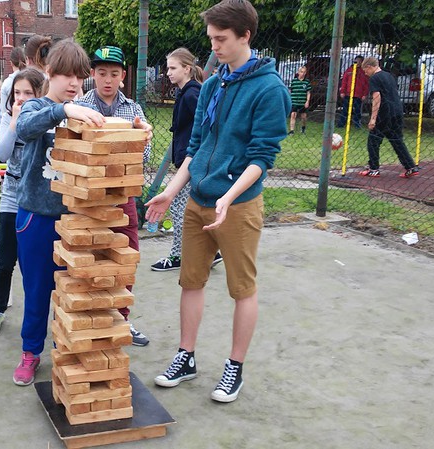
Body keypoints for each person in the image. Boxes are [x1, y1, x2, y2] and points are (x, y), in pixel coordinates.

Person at [145, 0, 290, 403]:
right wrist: (173, 190)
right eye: (211, 39)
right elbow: (198, 145)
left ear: (245, 36)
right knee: (190, 281)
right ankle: (186, 356)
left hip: (238, 205)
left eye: (222, 39)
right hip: (198, 201)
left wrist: (228, 197)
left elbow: (262, 157)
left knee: (242, 288)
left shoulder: (270, 89)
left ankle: (234, 367)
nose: (216, 47)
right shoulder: (212, 83)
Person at [12, 39, 152, 386]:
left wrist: (137, 138)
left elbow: (113, 158)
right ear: (49, 72)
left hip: (78, 222)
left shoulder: (91, 115)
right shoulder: (37, 107)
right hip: (37, 217)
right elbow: (25, 127)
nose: (73, 84)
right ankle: (31, 352)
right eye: (64, 76)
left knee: (76, 290)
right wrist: (63, 111)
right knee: (37, 288)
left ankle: (69, 346)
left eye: (77, 77)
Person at [79, 45, 153, 347]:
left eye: (113, 73)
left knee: (127, 255)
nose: (107, 79)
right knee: (90, 256)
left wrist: (139, 137)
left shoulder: (133, 110)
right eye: (101, 73)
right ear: (92, 75)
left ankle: (122, 317)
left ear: (123, 76)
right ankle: (90, 318)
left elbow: (145, 156)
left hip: (123, 196)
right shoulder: (80, 106)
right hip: (89, 199)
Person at [0, 69, 46, 336]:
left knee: (36, 263)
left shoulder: (45, 118)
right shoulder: (11, 115)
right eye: (16, 93)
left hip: (37, 198)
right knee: (5, 259)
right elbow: (1, 152)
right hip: (11, 196)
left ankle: (42, 313)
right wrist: (14, 121)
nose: (20, 98)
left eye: (28, 93)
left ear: (39, 94)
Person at [150, 47, 223, 273]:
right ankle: (211, 252)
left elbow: (208, 126)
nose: (168, 73)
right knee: (189, 209)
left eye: (173, 68)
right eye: (167, 68)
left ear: (187, 69)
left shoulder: (192, 94)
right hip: (188, 160)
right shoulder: (186, 92)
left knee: (181, 209)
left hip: (192, 163)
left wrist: (198, 157)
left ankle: (179, 256)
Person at [359, 57, 420, 178]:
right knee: (397, 140)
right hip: (397, 111)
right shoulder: (389, 76)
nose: (365, 73)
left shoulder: (375, 78)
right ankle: (411, 166)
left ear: (369, 67)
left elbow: (377, 97)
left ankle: (374, 168)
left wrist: (373, 118)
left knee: (373, 140)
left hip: (384, 113)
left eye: (365, 70)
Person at [337, 55, 369, 129]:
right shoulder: (349, 70)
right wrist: (342, 91)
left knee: (357, 110)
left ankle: (357, 124)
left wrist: (364, 94)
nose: (357, 62)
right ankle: (341, 124)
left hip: (358, 95)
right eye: (356, 61)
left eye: (359, 61)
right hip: (348, 94)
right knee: (345, 109)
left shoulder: (363, 72)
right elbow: (344, 81)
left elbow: (366, 84)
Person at [0, 47, 28, 117]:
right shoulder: (33, 78)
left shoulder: (7, 83)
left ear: (11, 63)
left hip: (11, 120)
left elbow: (4, 111)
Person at [288, 66, 311, 135]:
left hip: (302, 102)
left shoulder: (307, 82)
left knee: (303, 116)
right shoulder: (294, 81)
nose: (303, 73)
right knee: (293, 115)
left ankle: (303, 128)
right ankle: (291, 131)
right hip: (294, 101)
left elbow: (308, 92)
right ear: (298, 72)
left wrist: (307, 101)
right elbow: (290, 91)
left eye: (304, 72)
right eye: (301, 72)